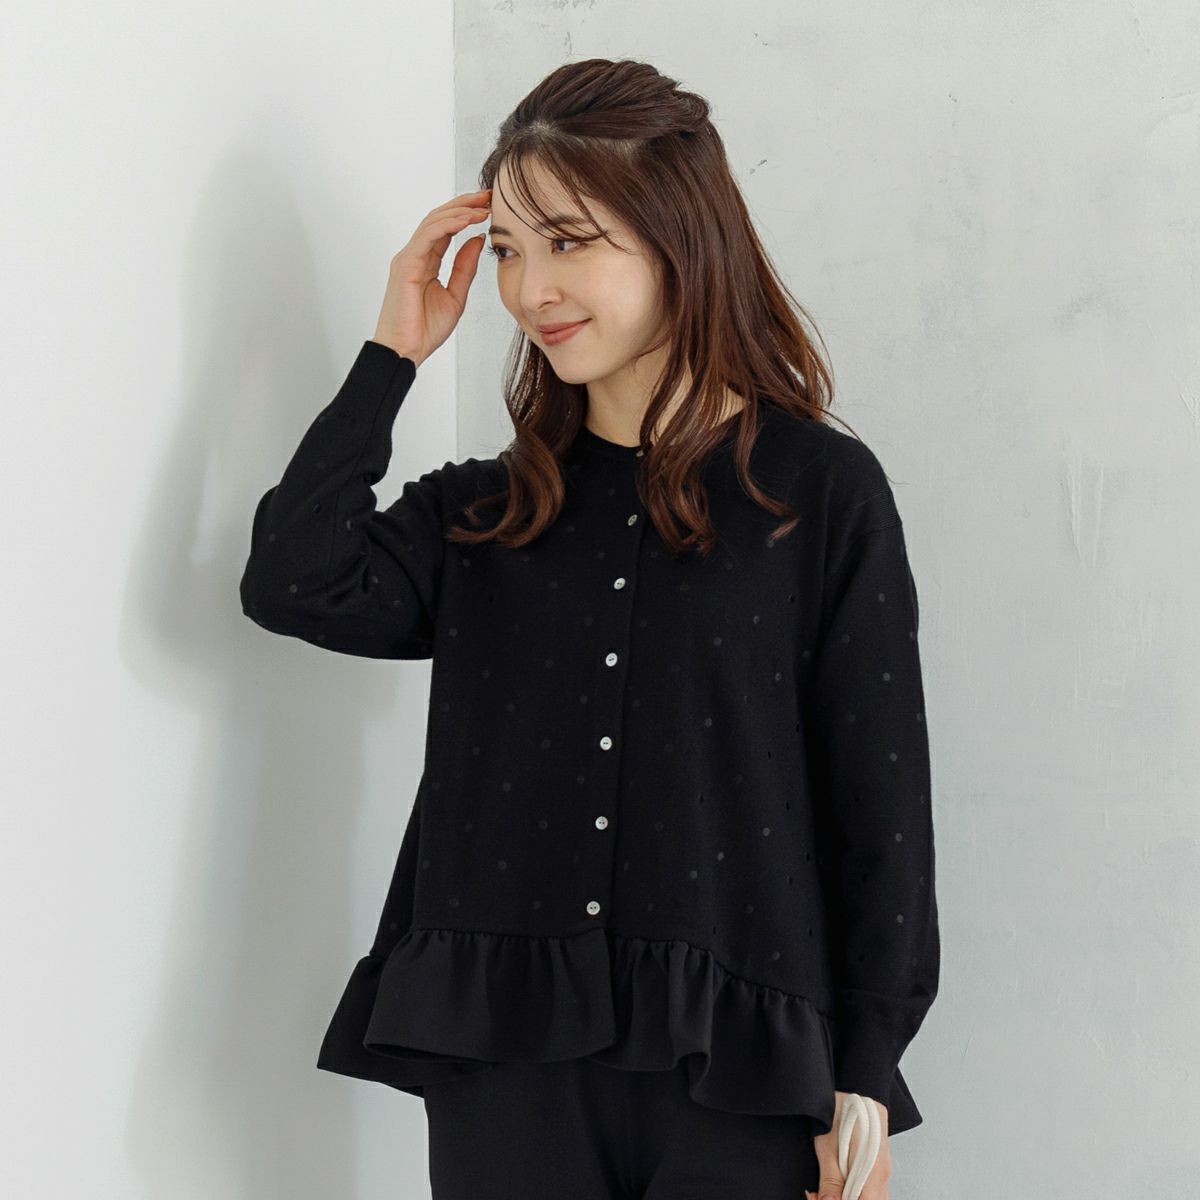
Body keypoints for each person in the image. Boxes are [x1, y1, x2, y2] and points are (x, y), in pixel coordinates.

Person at [239, 57, 939, 1200]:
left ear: (678, 238)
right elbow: (293, 580)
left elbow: (881, 801)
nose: (530, 290)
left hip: (738, 1063)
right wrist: (392, 352)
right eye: (509, 251)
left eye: (568, 242)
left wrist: (864, 1068)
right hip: (508, 1062)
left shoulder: (816, 494)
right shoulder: (485, 512)